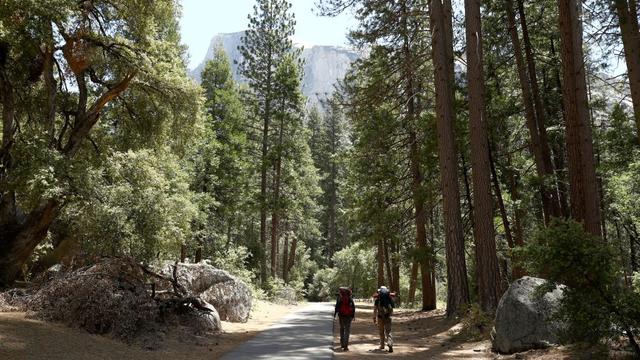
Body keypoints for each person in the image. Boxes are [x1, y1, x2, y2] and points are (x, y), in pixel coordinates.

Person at [373, 285, 394, 353]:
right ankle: (390, 343)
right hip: (388, 317)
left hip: (380, 317)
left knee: (381, 332)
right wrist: (389, 315)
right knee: (388, 331)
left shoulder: (377, 299)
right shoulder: (389, 298)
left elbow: (375, 310)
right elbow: (392, 308)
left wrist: (374, 318)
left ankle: (382, 345)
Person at [334, 286, 355, 351]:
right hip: (348, 316)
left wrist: (335, 314)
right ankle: (346, 346)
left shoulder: (339, 298)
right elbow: (353, 307)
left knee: (342, 329)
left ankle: (342, 344)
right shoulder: (350, 298)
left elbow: (337, 306)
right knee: (347, 331)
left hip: (341, 315)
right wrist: (353, 316)